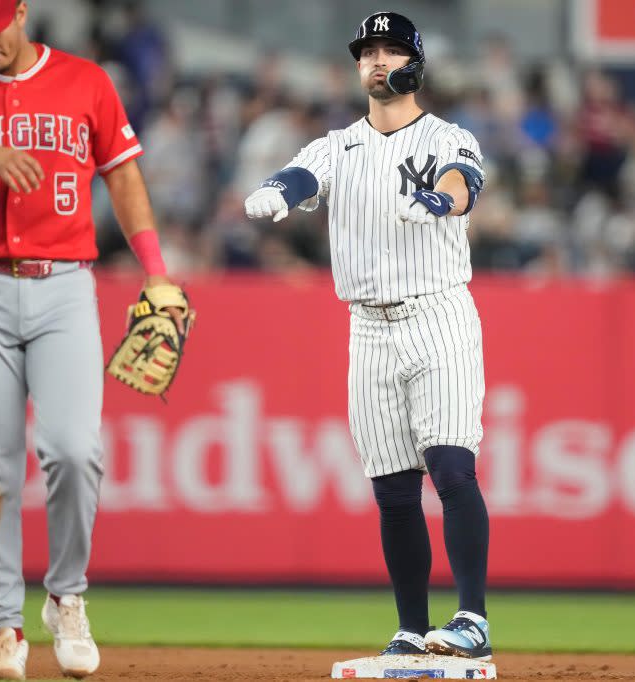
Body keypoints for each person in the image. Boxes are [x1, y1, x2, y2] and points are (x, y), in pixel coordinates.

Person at [0, 0, 183, 678]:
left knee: (75, 452)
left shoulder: (85, 81)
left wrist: (158, 272)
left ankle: (66, 595)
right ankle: (5, 631)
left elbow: (124, 172)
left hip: (63, 286)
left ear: (21, 12)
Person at [244, 11, 492, 660]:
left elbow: (463, 182)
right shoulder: (337, 145)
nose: (376, 61)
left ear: (414, 61)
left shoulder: (449, 135)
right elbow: (303, 178)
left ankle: (472, 618)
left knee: (451, 466)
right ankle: (412, 627)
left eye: (389, 50)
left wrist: (440, 200)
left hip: (436, 312)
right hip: (367, 325)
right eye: (366, 52)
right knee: (392, 487)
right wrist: (276, 188)